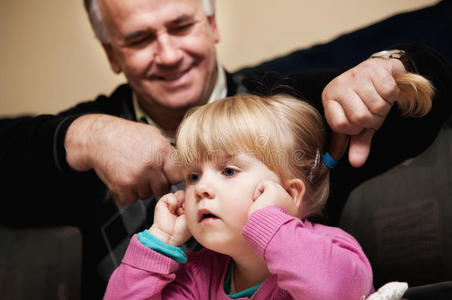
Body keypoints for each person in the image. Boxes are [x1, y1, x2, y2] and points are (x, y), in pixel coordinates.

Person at [1, 0, 452, 298]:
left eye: (181, 26)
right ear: (111, 54)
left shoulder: (285, 105)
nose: (170, 53)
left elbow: (422, 98)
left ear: (212, 24)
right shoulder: (198, 275)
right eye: (139, 39)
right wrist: (81, 136)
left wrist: (391, 65)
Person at [104, 93, 375, 299]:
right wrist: (159, 243)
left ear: (290, 194)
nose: (201, 188)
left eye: (229, 171)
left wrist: (272, 222)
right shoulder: (199, 277)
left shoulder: (331, 248)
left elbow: (333, 291)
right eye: (193, 176)